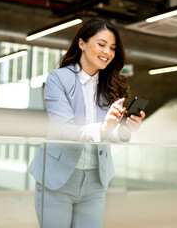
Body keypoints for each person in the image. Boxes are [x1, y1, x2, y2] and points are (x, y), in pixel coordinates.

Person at [28, 17, 146, 228]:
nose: (108, 52)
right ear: (82, 43)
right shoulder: (58, 79)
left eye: (112, 48)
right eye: (101, 45)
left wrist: (125, 130)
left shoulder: (110, 85)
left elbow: (108, 134)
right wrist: (102, 128)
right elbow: (64, 130)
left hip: (94, 182)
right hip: (57, 180)